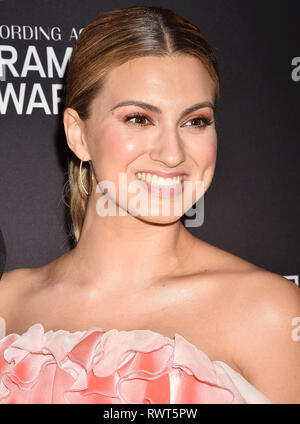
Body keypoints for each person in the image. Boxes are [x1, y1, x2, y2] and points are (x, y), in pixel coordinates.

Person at [0, 5, 299, 404]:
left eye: (195, 121)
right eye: (139, 118)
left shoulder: (271, 314)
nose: (172, 154)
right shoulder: (10, 301)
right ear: (78, 134)